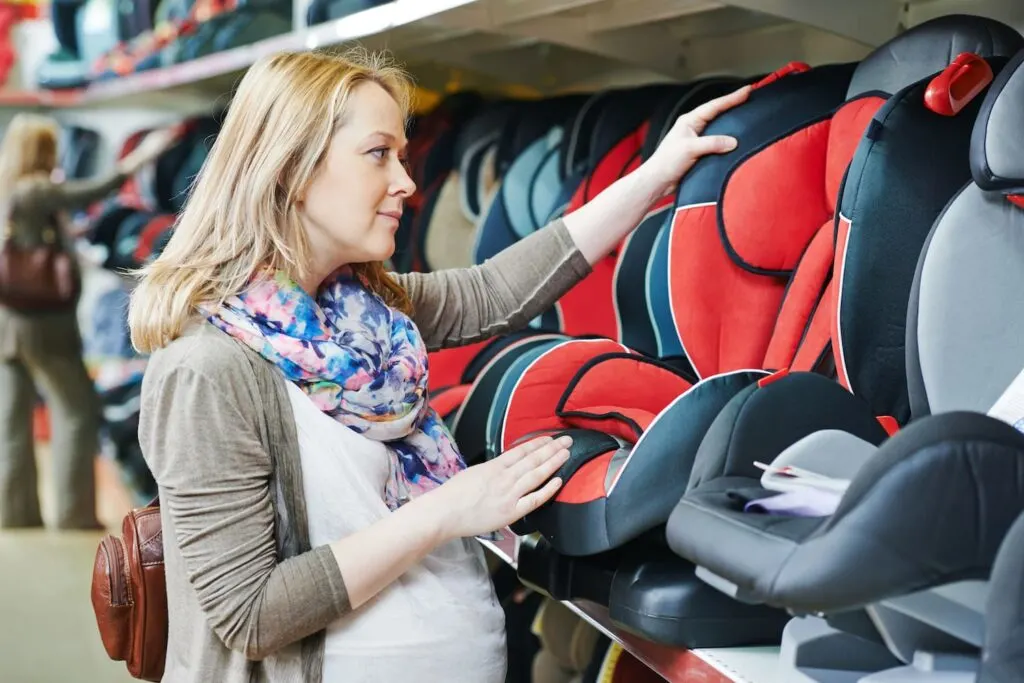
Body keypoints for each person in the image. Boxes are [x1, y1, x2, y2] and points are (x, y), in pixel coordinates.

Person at [129, 48, 749, 683]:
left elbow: (496, 291)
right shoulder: (206, 370)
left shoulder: (364, 318)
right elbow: (250, 615)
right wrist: (447, 510)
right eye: (379, 153)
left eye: (402, 154)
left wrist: (657, 174)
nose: (406, 181)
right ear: (289, 169)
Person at [0, 114, 176, 529]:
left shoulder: (8, 188)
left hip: (8, 320)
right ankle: (73, 514)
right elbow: (93, 191)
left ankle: (15, 511)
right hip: (43, 323)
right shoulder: (35, 189)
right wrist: (143, 156)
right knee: (77, 410)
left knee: (11, 415)